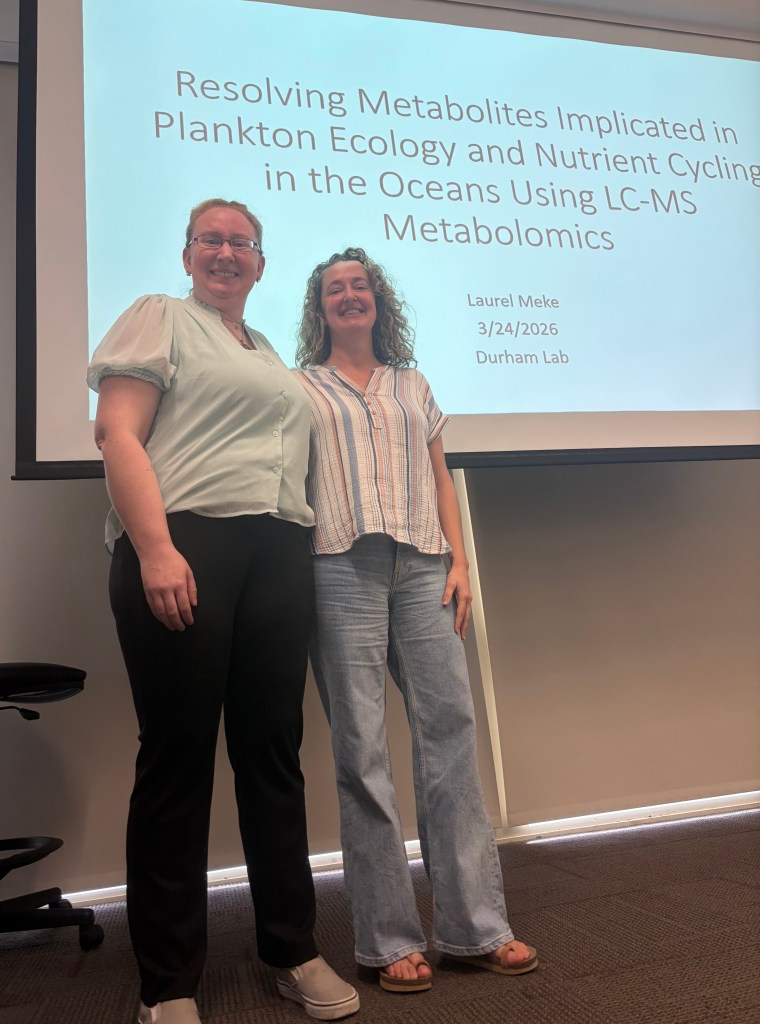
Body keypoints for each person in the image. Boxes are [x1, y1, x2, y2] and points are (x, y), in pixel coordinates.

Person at [87, 201, 360, 1024]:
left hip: (279, 552)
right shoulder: (160, 318)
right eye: (211, 238)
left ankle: (290, 949)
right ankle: (167, 984)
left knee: (273, 756)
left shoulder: (270, 352)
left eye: (242, 242)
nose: (226, 252)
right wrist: (157, 550)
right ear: (187, 252)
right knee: (177, 762)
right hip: (185, 546)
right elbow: (118, 433)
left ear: (262, 264)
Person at [296, 247, 538, 993]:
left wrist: (460, 562)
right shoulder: (298, 388)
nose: (349, 296)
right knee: (362, 751)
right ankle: (389, 939)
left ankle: (474, 929)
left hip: (426, 567)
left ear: (379, 300)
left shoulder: (415, 383)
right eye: (334, 289)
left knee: (452, 739)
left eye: (359, 285)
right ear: (320, 308)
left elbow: (440, 477)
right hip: (339, 567)